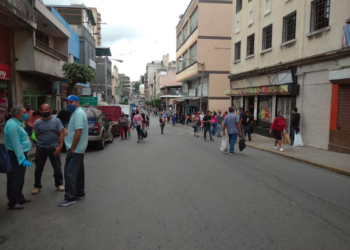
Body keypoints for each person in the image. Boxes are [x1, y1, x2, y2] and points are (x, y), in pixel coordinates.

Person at [59, 95, 88, 207]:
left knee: (69, 173)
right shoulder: (76, 113)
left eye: (71, 102)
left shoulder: (79, 114)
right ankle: (80, 193)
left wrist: (72, 148)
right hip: (78, 149)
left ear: (77, 103)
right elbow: (75, 130)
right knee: (79, 173)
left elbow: (78, 132)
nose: (68, 104)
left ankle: (70, 197)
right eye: (67, 102)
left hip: (75, 149)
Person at [31, 103, 65, 195]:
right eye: (43, 110)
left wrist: (60, 146)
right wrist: (43, 142)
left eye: (46, 109)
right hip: (41, 148)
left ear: (50, 110)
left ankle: (59, 184)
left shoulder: (57, 121)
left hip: (54, 148)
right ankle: (37, 186)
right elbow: (37, 134)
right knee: (38, 168)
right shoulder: (38, 122)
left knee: (57, 168)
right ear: (40, 111)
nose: (45, 111)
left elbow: (61, 133)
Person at [5, 106, 33, 210]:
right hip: (15, 156)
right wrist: (22, 159)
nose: (26, 114)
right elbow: (16, 145)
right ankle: (13, 202)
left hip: (19, 155)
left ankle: (19, 198)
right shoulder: (12, 125)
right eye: (24, 112)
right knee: (14, 179)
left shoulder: (17, 123)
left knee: (20, 178)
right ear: (17, 114)